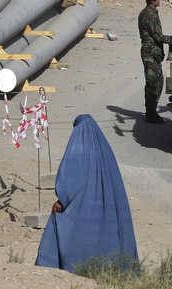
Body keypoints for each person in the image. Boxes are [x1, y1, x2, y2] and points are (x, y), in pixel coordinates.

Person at [36, 114, 138, 272]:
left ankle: (54, 269)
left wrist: (62, 201)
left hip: (83, 213)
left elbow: (69, 181)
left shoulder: (78, 146)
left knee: (60, 224)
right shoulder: (105, 150)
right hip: (106, 213)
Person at [138, 0, 172, 124]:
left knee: (157, 82)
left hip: (152, 52)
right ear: (154, 0)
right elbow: (157, 36)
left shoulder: (148, 12)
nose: (160, 0)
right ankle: (151, 114)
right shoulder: (149, 15)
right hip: (150, 52)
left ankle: (151, 112)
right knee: (153, 83)